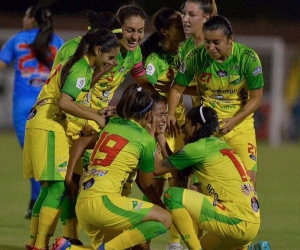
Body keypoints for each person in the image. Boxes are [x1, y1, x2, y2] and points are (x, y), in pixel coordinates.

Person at [23, 29, 120, 250]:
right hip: (49, 123)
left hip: (43, 121)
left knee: (50, 188)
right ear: (97, 50)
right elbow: (65, 103)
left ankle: (34, 243)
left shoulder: (79, 63)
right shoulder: (81, 67)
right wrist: (96, 116)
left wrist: (97, 108)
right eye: (110, 57)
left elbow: (77, 94)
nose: (113, 62)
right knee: (57, 188)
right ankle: (39, 246)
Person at [51, 83, 171, 250]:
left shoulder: (112, 125)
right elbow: (146, 182)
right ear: (149, 114)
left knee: (133, 245)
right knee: (165, 219)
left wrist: (69, 177)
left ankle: (70, 248)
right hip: (105, 203)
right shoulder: (145, 139)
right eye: (160, 114)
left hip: (85, 204)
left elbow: (80, 142)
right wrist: (158, 142)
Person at [168, 15, 264, 187]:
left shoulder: (247, 58)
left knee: (248, 185)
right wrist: (170, 113)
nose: (211, 48)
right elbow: (176, 89)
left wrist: (234, 120)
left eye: (216, 42)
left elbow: (256, 98)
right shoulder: (195, 57)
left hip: (240, 126)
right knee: (201, 187)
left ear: (230, 39)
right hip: (207, 128)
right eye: (207, 42)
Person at [155, 105, 269, 250]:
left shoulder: (197, 149)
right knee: (203, 245)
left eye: (187, 123)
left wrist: (151, 136)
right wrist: (161, 138)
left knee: (172, 196)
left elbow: (157, 169)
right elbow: (178, 175)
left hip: (236, 221)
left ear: (196, 126)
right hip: (252, 224)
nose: (183, 128)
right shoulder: (218, 144)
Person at [0, 4, 64, 219]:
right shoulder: (57, 42)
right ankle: (42, 200)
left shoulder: (17, 40)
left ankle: (38, 200)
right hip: (48, 102)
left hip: (24, 104)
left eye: (26, 15)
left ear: (32, 19)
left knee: (31, 154)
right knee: (46, 153)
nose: (23, 18)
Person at [141, 7, 187, 250]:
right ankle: (142, 241)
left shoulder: (183, 54)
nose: (184, 28)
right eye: (178, 26)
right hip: (161, 127)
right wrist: (157, 127)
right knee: (155, 185)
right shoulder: (154, 59)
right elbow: (148, 92)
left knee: (179, 184)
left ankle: (175, 244)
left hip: (178, 127)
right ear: (164, 31)